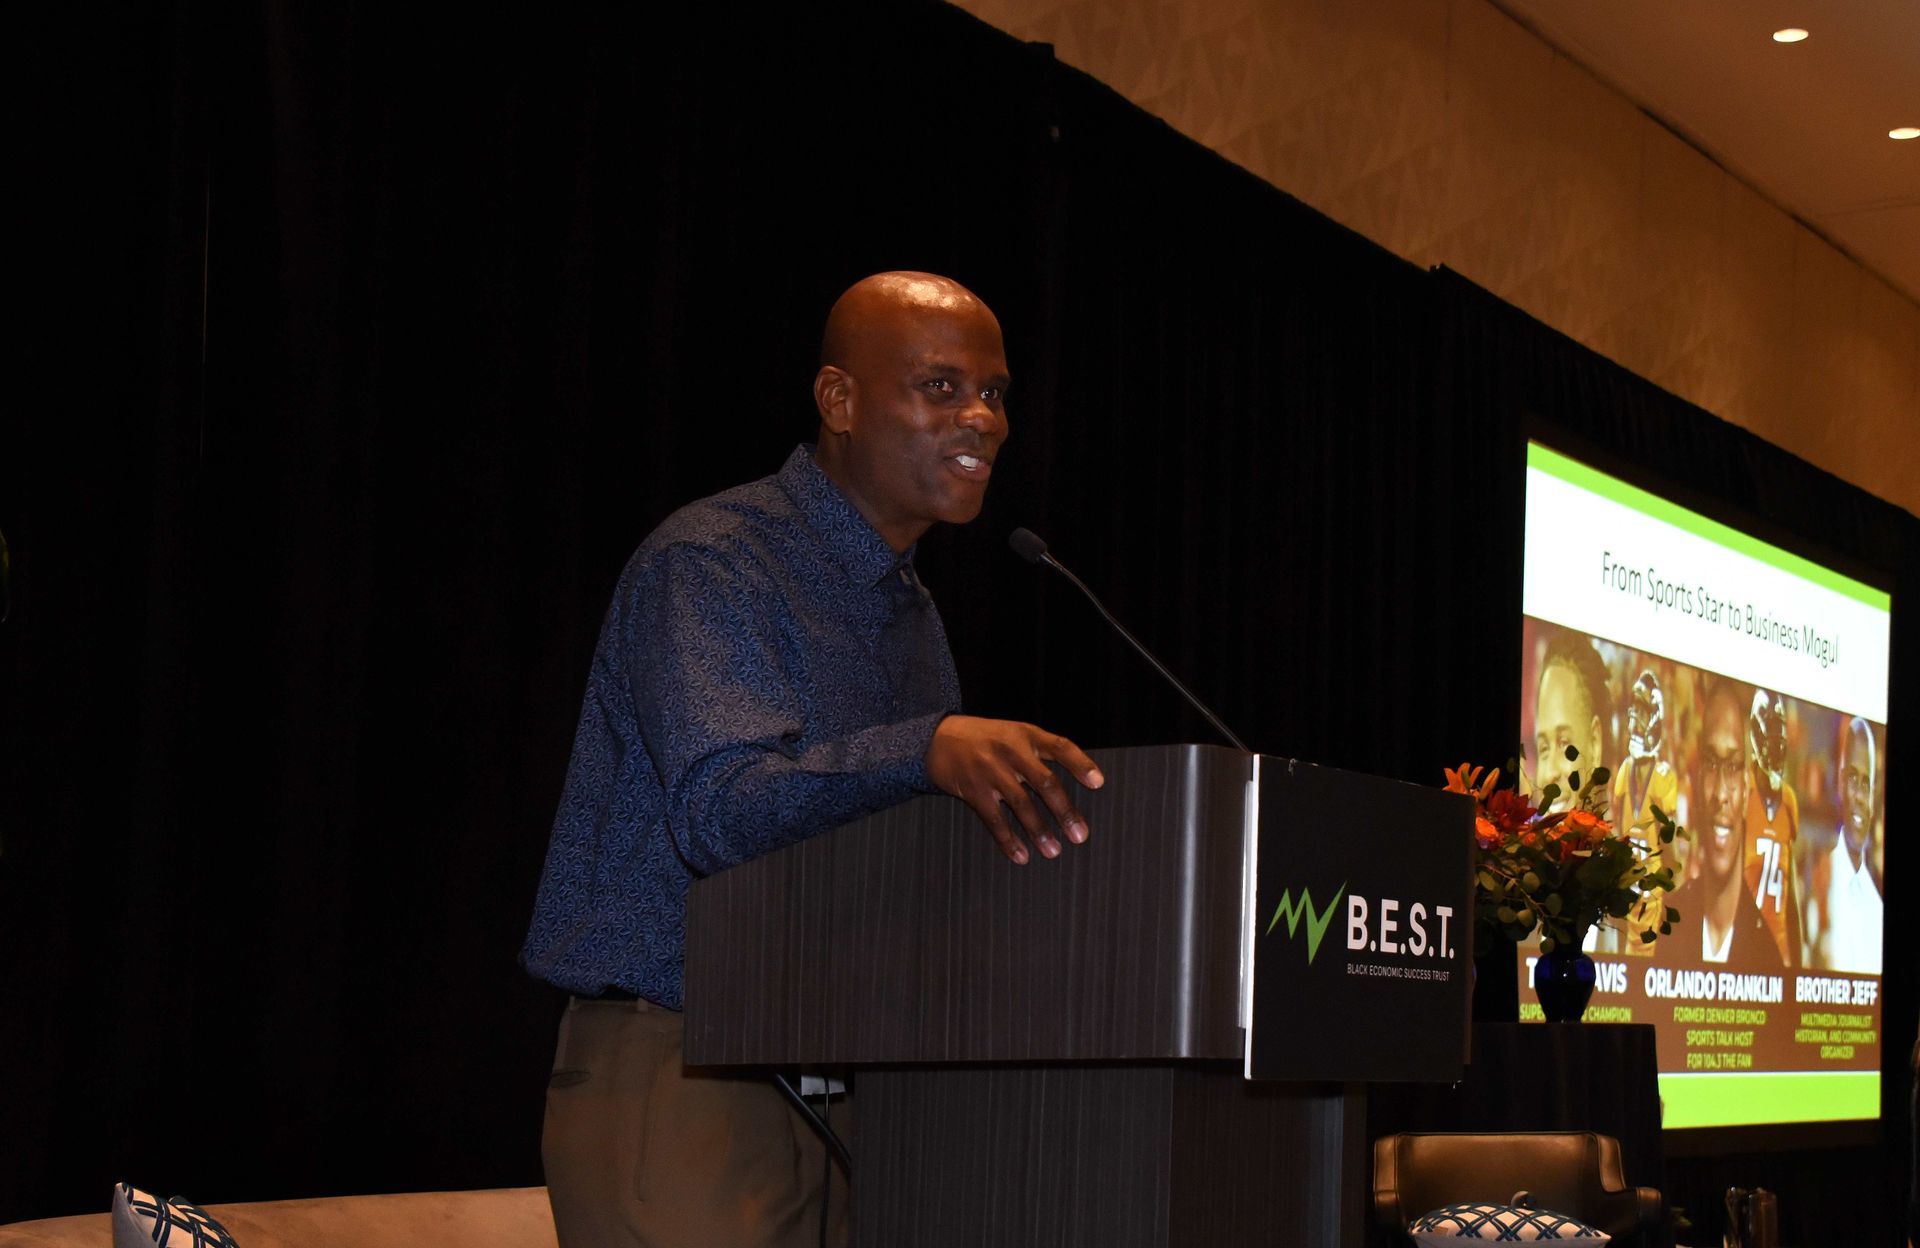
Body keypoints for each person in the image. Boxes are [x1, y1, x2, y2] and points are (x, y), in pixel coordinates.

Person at [521, 272, 1105, 1248]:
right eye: (942, 386)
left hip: (850, 1080)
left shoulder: (912, 613)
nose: (984, 419)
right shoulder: (712, 562)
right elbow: (722, 808)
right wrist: (927, 750)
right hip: (686, 1066)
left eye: (995, 393)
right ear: (839, 402)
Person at [1664, 677, 1777, 967]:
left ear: (1748, 787)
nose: (1721, 794)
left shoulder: (1766, 953)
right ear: (1699, 779)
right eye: (1712, 764)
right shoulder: (1667, 923)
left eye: (1733, 766)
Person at [1806, 716, 1883, 973]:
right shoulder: (1819, 881)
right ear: (1839, 783)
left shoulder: (1876, 907)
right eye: (1852, 780)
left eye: (1866, 784)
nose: (1860, 797)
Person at [1743, 688, 1802, 965]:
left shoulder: (1789, 800)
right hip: (1744, 946)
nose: (1777, 747)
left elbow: (1790, 893)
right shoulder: (1743, 791)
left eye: (1780, 738)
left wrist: (1797, 958)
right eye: (1771, 738)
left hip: (1778, 951)